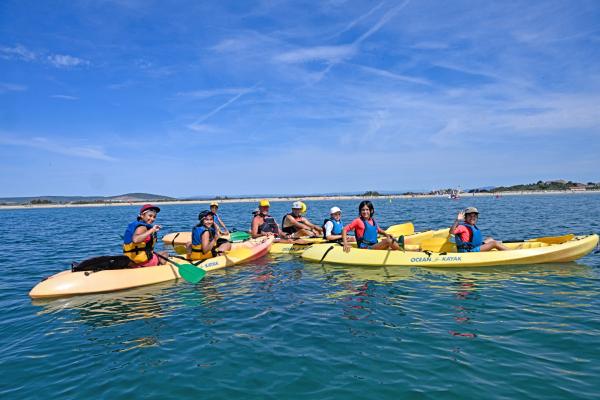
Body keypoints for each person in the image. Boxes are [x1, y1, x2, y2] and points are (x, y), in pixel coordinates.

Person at [450, 207, 523, 252]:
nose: (472, 218)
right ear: (465, 217)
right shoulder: (462, 227)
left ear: (477, 218)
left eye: (474, 216)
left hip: (474, 246)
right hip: (469, 250)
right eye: (470, 216)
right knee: (494, 243)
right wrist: (457, 221)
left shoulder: (473, 226)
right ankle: (512, 251)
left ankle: (502, 248)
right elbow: (451, 232)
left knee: (490, 239)